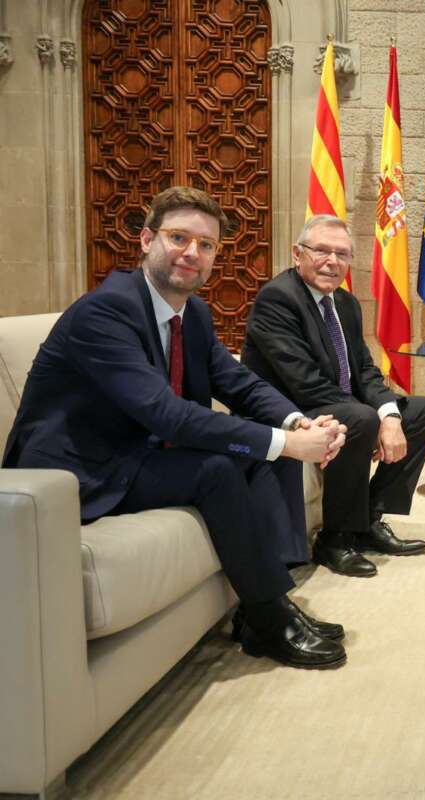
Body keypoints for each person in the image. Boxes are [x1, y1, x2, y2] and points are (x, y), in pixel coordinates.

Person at [3, 186, 351, 669]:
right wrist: (289, 443)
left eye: (206, 245)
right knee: (218, 467)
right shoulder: (106, 311)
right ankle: (269, 619)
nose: (192, 253)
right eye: (178, 237)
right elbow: (164, 413)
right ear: (147, 240)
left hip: (138, 451)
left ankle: (265, 604)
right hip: (77, 471)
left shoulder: (194, 313)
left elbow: (237, 382)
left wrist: (297, 421)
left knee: (257, 453)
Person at [242, 215, 425, 578]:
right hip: (292, 410)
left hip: (335, 401)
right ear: (297, 254)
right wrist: (373, 419)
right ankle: (334, 539)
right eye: (322, 251)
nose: (332, 261)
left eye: (342, 254)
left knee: (422, 412)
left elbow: (364, 371)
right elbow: (305, 384)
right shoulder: (278, 299)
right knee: (361, 418)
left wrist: (390, 417)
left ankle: (369, 519)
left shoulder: (345, 303)